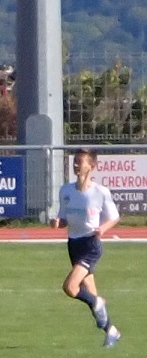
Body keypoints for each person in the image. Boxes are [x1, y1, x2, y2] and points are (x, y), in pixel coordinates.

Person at [50, 148, 122, 347]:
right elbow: (64, 218)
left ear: (91, 166)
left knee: (70, 287)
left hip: (91, 245)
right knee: (91, 294)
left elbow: (114, 217)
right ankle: (111, 331)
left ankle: (98, 303)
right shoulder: (66, 191)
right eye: (75, 161)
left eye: (80, 162)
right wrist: (57, 222)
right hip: (74, 245)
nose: (76, 165)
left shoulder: (100, 192)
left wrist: (102, 229)